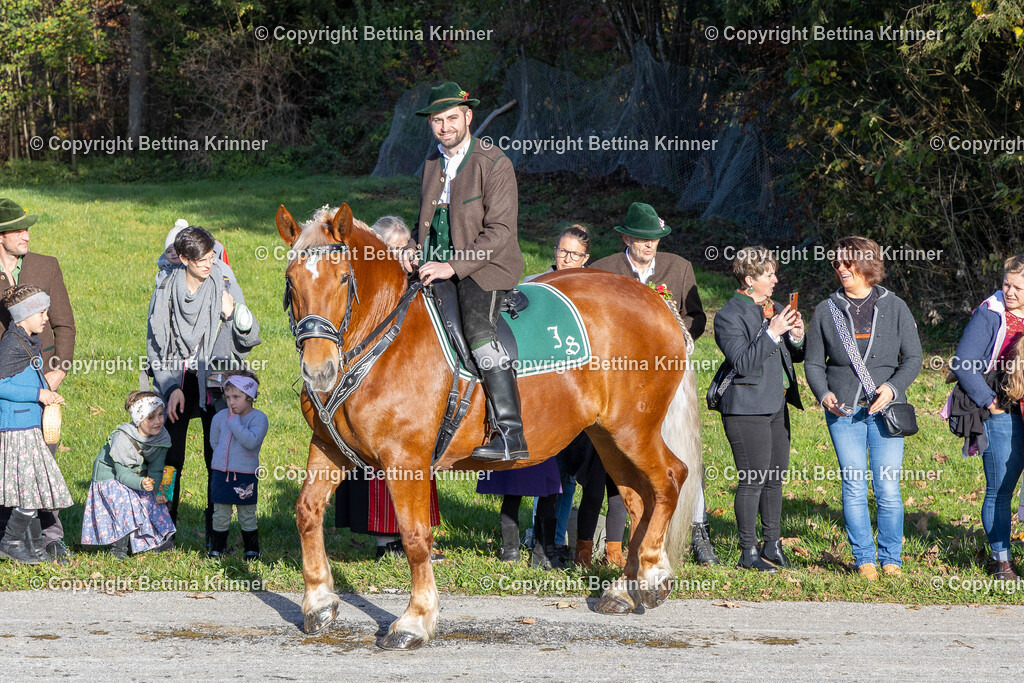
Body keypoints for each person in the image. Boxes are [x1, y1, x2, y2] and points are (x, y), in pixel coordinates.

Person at [401, 81, 527, 461]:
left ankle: (510, 432)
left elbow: (501, 232)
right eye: (437, 120)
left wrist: (451, 266)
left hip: (485, 269)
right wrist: (410, 247)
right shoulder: (430, 163)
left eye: (452, 118)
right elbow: (423, 223)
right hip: (432, 266)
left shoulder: (495, 163)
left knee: (477, 329)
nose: (444, 127)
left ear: (468, 116)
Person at [591, 202, 718, 566]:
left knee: (678, 448)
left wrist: (676, 338)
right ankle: (614, 539)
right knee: (624, 454)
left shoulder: (679, 268)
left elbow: (697, 317)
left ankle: (697, 530)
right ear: (626, 237)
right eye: (643, 239)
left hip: (668, 371)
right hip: (617, 379)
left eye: (656, 240)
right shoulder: (602, 270)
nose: (650, 246)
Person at [805, 236, 922, 580]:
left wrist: (892, 387)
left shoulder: (895, 306)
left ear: (867, 264)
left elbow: (913, 358)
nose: (840, 269)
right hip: (843, 413)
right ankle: (864, 559)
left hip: (886, 411)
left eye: (847, 263)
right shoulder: (826, 310)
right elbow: (813, 364)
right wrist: (824, 394)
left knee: (887, 487)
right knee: (853, 485)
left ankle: (891, 559)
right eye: (837, 263)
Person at [146, 226, 261, 546]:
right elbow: (155, 345)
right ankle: (163, 526)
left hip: (216, 378)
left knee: (218, 457)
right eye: (201, 259)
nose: (209, 263)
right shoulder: (166, 289)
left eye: (211, 255)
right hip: (178, 378)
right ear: (183, 258)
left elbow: (248, 338)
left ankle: (217, 530)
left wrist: (234, 313)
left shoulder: (223, 279)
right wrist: (170, 388)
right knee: (170, 458)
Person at [714, 247, 804, 572]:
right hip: (746, 407)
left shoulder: (775, 309)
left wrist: (796, 336)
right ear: (749, 279)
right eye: (769, 275)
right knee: (753, 478)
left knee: (775, 477)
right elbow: (743, 363)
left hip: (776, 404)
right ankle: (747, 552)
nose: (776, 280)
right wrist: (773, 331)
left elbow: (794, 355)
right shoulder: (728, 315)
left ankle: (772, 545)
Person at [0, 198, 76, 563]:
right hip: (4, 380)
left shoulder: (46, 266)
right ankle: (13, 538)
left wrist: (57, 371)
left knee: (42, 460)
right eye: (17, 229)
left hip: (41, 379)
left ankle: (50, 537)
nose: (26, 235)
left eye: (27, 227)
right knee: (8, 464)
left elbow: (64, 325)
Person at [951, 255, 1024, 580]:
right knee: (1001, 487)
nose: (1009, 292)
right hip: (1003, 411)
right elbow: (963, 362)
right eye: (1006, 284)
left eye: (1017, 287)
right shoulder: (990, 314)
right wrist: (989, 402)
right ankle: (1002, 561)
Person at [81, 391, 176, 559]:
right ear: (139, 419)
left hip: (138, 475)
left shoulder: (161, 436)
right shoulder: (122, 438)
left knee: (152, 500)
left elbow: (156, 468)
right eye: (151, 418)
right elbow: (122, 474)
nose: (158, 421)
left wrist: (155, 491)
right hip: (110, 476)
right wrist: (141, 484)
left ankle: (155, 540)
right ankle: (118, 549)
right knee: (126, 501)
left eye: (160, 415)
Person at [208, 372, 268, 561]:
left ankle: (252, 549)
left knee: (247, 514)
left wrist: (234, 423)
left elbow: (251, 442)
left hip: (245, 475)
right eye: (228, 397)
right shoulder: (219, 417)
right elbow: (214, 443)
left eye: (236, 397)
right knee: (220, 513)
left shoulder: (258, 419)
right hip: (221, 473)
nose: (231, 402)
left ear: (249, 397)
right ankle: (217, 548)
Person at [158, 219, 230, 286]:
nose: (173, 254)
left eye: (176, 250)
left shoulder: (214, 268)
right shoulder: (165, 272)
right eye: (169, 251)